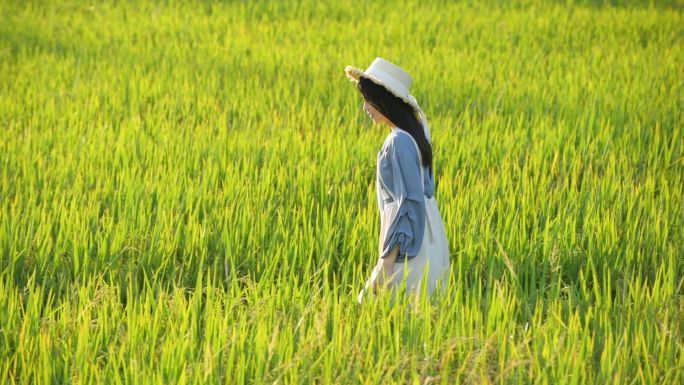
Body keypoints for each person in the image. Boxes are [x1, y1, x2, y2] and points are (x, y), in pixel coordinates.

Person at [345, 58, 450, 304]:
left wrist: (386, 261)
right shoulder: (415, 136)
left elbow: (407, 203)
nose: (364, 108)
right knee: (422, 314)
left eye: (367, 101)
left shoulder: (398, 142)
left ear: (385, 100)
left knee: (381, 309)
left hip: (409, 242)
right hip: (429, 236)